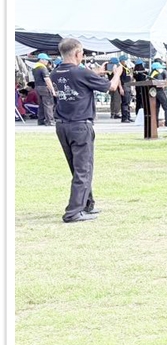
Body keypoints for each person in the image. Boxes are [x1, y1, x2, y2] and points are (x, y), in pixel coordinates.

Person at [48, 39, 120, 222]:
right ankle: (73, 211)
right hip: (80, 124)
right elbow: (110, 87)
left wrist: (96, 72)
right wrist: (117, 74)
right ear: (77, 53)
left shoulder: (55, 73)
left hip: (62, 125)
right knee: (84, 168)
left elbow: (76, 80)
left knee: (77, 167)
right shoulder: (80, 72)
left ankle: (87, 204)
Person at [31, 52, 57, 126]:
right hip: (44, 88)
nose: (47, 61)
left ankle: (41, 120)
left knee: (41, 105)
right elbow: (47, 80)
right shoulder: (43, 68)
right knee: (49, 104)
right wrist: (52, 90)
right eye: (46, 60)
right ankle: (50, 121)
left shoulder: (34, 68)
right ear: (41, 60)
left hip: (37, 87)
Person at [149, 62, 167, 127]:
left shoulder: (151, 74)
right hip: (160, 91)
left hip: (153, 92)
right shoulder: (158, 74)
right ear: (156, 68)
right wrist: (165, 83)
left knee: (156, 108)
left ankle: (156, 124)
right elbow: (160, 84)